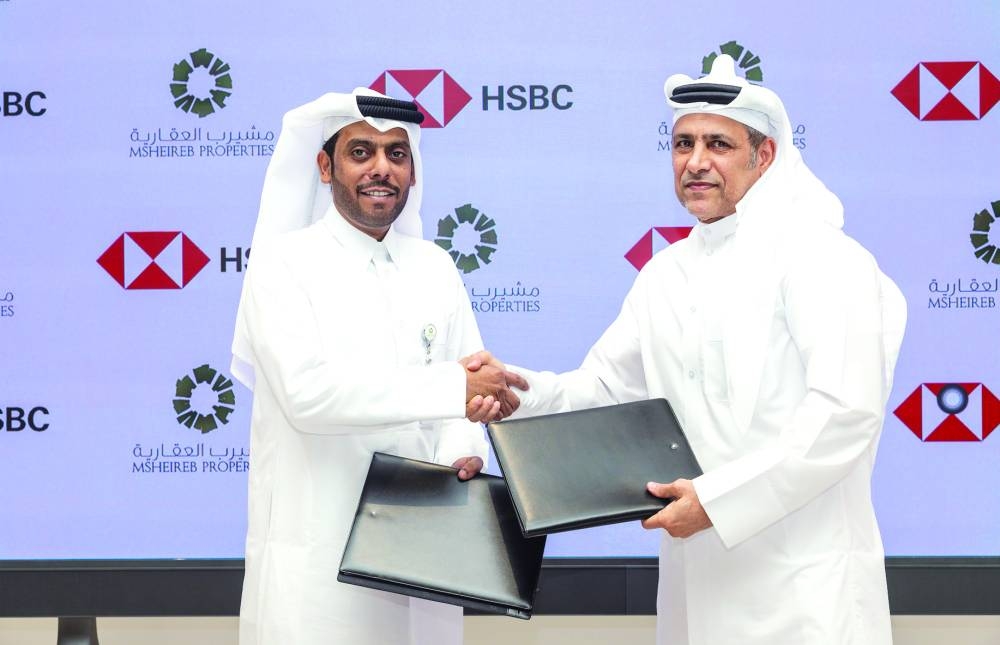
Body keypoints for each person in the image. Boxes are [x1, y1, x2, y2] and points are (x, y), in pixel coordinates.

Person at [474, 55, 907, 644]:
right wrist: (516, 392)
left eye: (718, 144)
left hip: (804, 588)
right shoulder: (665, 274)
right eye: (682, 144)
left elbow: (843, 415)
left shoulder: (822, 259)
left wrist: (718, 501)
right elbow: (603, 390)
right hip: (694, 580)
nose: (695, 162)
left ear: (766, 156)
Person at [230, 89, 522, 645]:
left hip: (426, 554)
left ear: (412, 171)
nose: (381, 168)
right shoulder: (283, 266)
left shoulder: (435, 266)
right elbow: (308, 396)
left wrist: (464, 447)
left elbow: (466, 384)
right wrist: (453, 388)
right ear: (324, 166)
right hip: (320, 557)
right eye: (361, 152)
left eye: (397, 153)